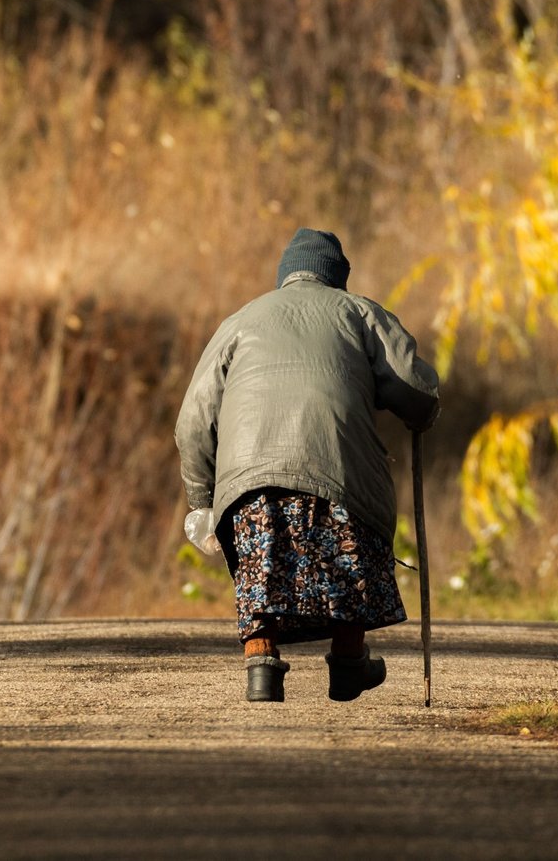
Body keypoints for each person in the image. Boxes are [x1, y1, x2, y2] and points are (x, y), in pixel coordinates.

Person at [175, 227, 441, 703]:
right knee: (347, 553)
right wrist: (423, 409)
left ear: (284, 277)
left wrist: (201, 501)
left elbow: (193, 421)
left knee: (263, 561)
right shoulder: (359, 312)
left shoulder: (239, 321)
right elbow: (416, 393)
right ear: (338, 278)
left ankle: (261, 661)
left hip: (249, 484)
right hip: (340, 473)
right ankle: (347, 661)